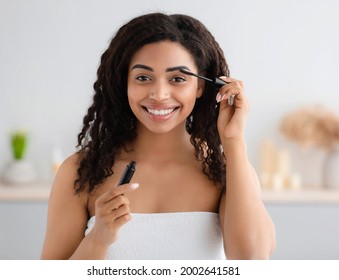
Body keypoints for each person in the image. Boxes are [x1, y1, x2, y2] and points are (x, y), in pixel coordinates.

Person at [41, 12, 276, 260]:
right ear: (124, 83)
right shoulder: (80, 172)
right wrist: (98, 239)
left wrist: (234, 142)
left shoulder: (227, 170)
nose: (159, 94)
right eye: (143, 77)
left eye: (178, 79)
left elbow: (252, 259)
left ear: (200, 87)